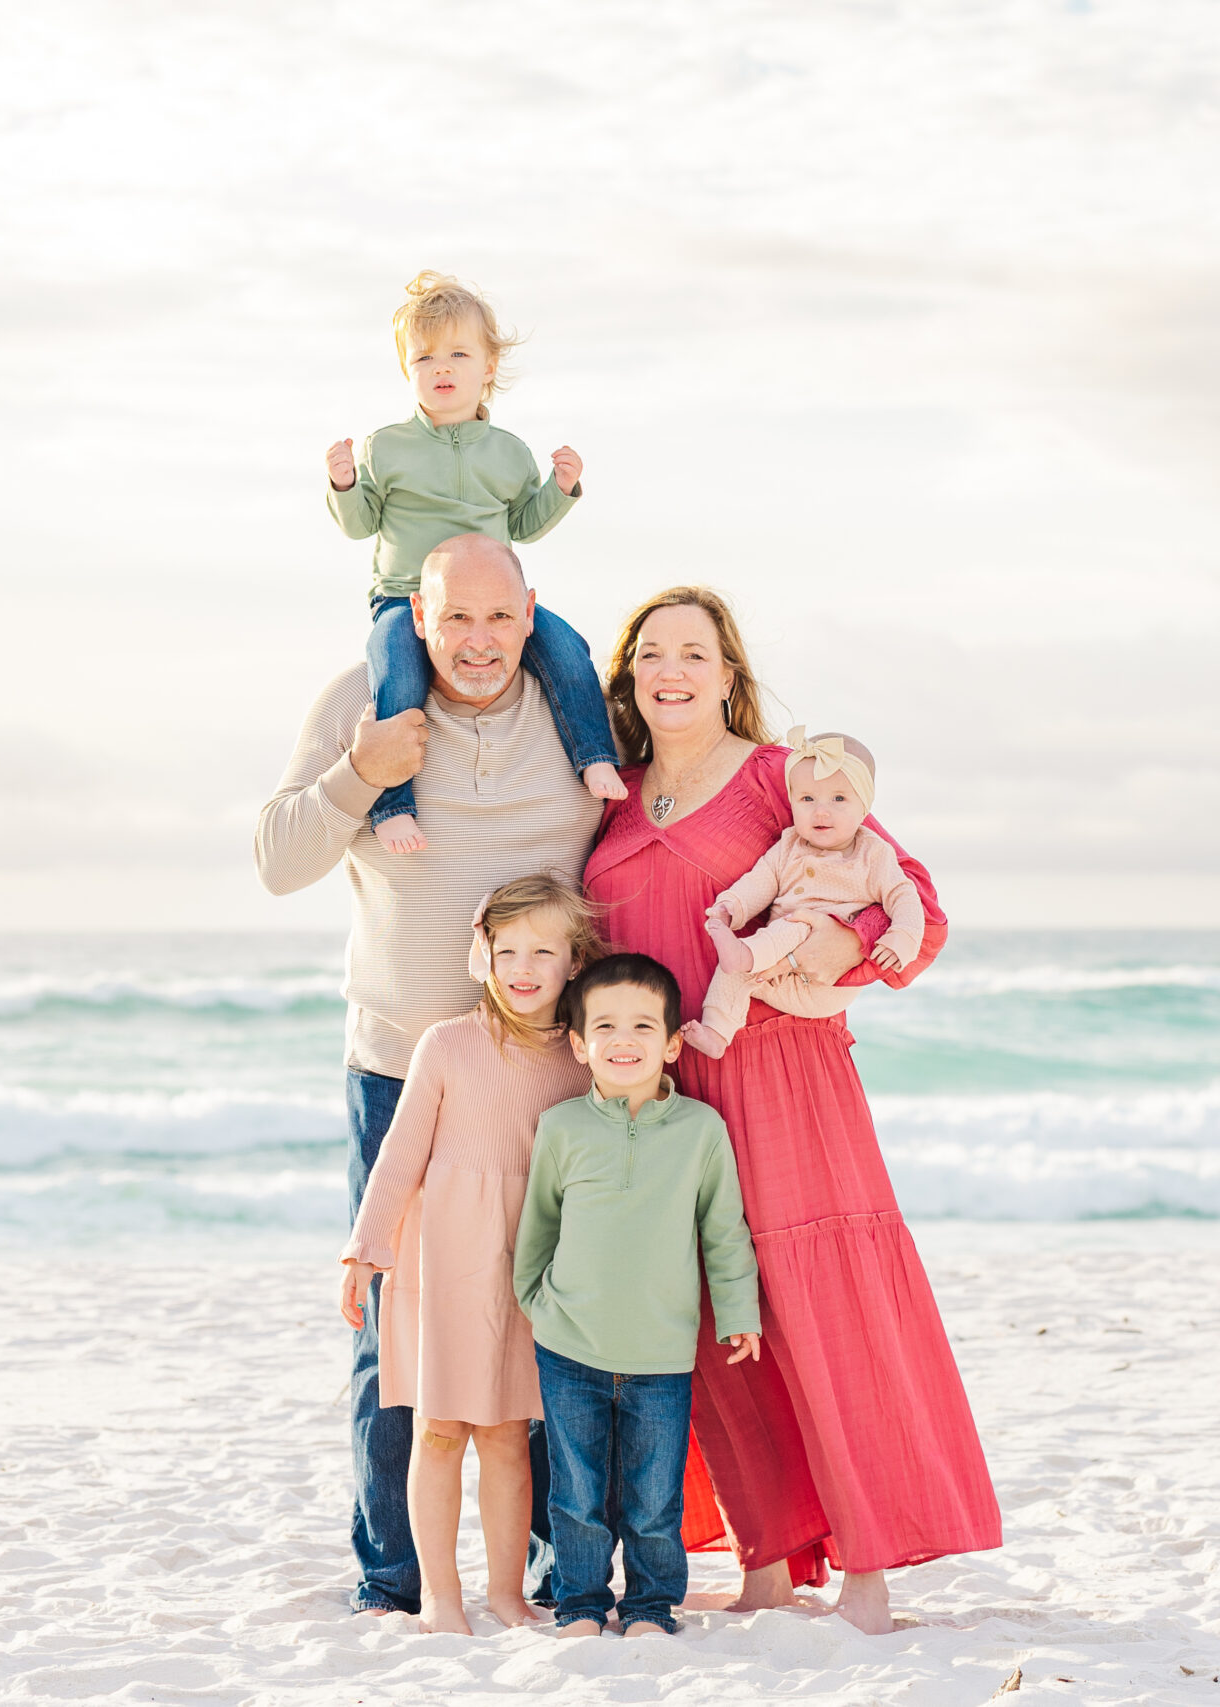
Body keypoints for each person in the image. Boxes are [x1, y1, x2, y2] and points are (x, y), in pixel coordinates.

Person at [579, 586, 1003, 1635]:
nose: (671, 670)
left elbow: (911, 897)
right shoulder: (609, 795)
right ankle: (769, 1558)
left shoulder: (783, 778)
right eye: (651, 655)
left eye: (696, 652)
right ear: (628, 678)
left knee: (822, 1308)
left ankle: (868, 1562)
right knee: (717, 1321)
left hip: (781, 1069)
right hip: (663, 1085)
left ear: (729, 673)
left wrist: (836, 946)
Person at [255, 533, 606, 1617]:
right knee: (392, 1336)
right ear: (418, 615)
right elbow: (277, 859)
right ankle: (392, 1577)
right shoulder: (363, 698)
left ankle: (552, 1570)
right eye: (457, 617)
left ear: (532, 614)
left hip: (550, 1077)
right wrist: (363, 771)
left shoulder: (571, 702)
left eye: (502, 618)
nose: (479, 642)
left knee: (554, 1327)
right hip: (400, 1071)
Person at [335, 873, 602, 1634]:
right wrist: (365, 1248)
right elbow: (399, 1152)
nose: (523, 966)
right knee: (440, 1428)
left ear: (574, 961)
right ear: (479, 954)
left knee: (510, 1435)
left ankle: (507, 1594)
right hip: (445, 1258)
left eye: (543, 951)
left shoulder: (580, 1058)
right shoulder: (446, 1043)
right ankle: (442, 1598)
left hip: (529, 1264)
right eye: (507, 947)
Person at [325, 271, 626, 855]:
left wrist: (561, 489)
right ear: (407, 370)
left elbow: (523, 526)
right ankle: (393, 804)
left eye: (459, 354)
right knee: (396, 671)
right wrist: (343, 483)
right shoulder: (385, 447)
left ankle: (593, 757)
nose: (442, 368)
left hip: (494, 604)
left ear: (488, 368)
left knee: (568, 649)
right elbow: (360, 523)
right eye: (424, 357)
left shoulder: (509, 452)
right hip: (405, 596)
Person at [512, 952, 764, 1639]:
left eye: (643, 1026)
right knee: (576, 1495)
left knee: (654, 1497)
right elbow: (537, 1227)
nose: (625, 1040)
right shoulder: (562, 1127)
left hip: (661, 1352)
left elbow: (724, 1231)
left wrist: (739, 1312)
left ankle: (651, 1605)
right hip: (568, 1348)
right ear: (579, 1042)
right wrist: (537, 1303)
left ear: (673, 1041)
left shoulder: (700, 1131)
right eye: (607, 1026)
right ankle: (582, 1603)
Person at [679, 727, 925, 1060]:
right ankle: (717, 1033)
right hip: (777, 975)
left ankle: (746, 955)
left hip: (825, 984)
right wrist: (729, 907)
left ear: (863, 807)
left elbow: (904, 896)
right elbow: (760, 880)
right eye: (807, 799)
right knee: (733, 972)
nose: (821, 811)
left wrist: (903, 938)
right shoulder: (789, 845)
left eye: (838, 799)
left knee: (796, 925)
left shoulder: (872, 853)